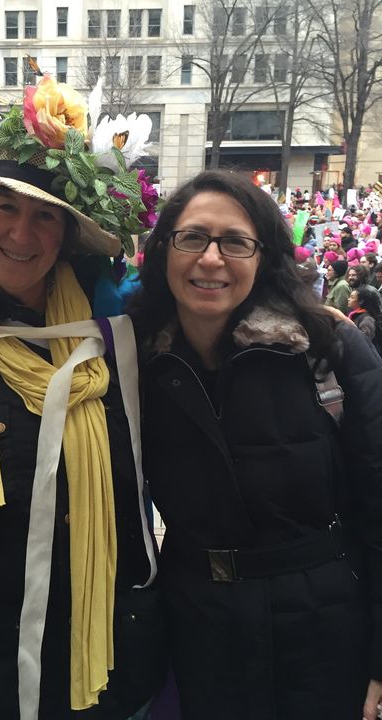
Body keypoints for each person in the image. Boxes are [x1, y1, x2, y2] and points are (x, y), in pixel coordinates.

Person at [0, 81, 165, 720]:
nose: (23, 232)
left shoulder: (115, 339)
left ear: (67, 233)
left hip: (108, 638)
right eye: (5, 207)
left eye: (45, 213)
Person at [128, 169, 382, 720]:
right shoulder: (134, 362)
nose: (211, 259)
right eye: (192, 237)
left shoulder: (327, 352)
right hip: (199, 633)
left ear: (264, 256)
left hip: (327, 636)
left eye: (235, 242)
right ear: (163, 249)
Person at [348, 285, 382, 353]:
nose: (348, 299)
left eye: (352, 297)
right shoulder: (355, 314)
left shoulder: (367, 320)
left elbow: (364, 343)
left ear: (361, 301)